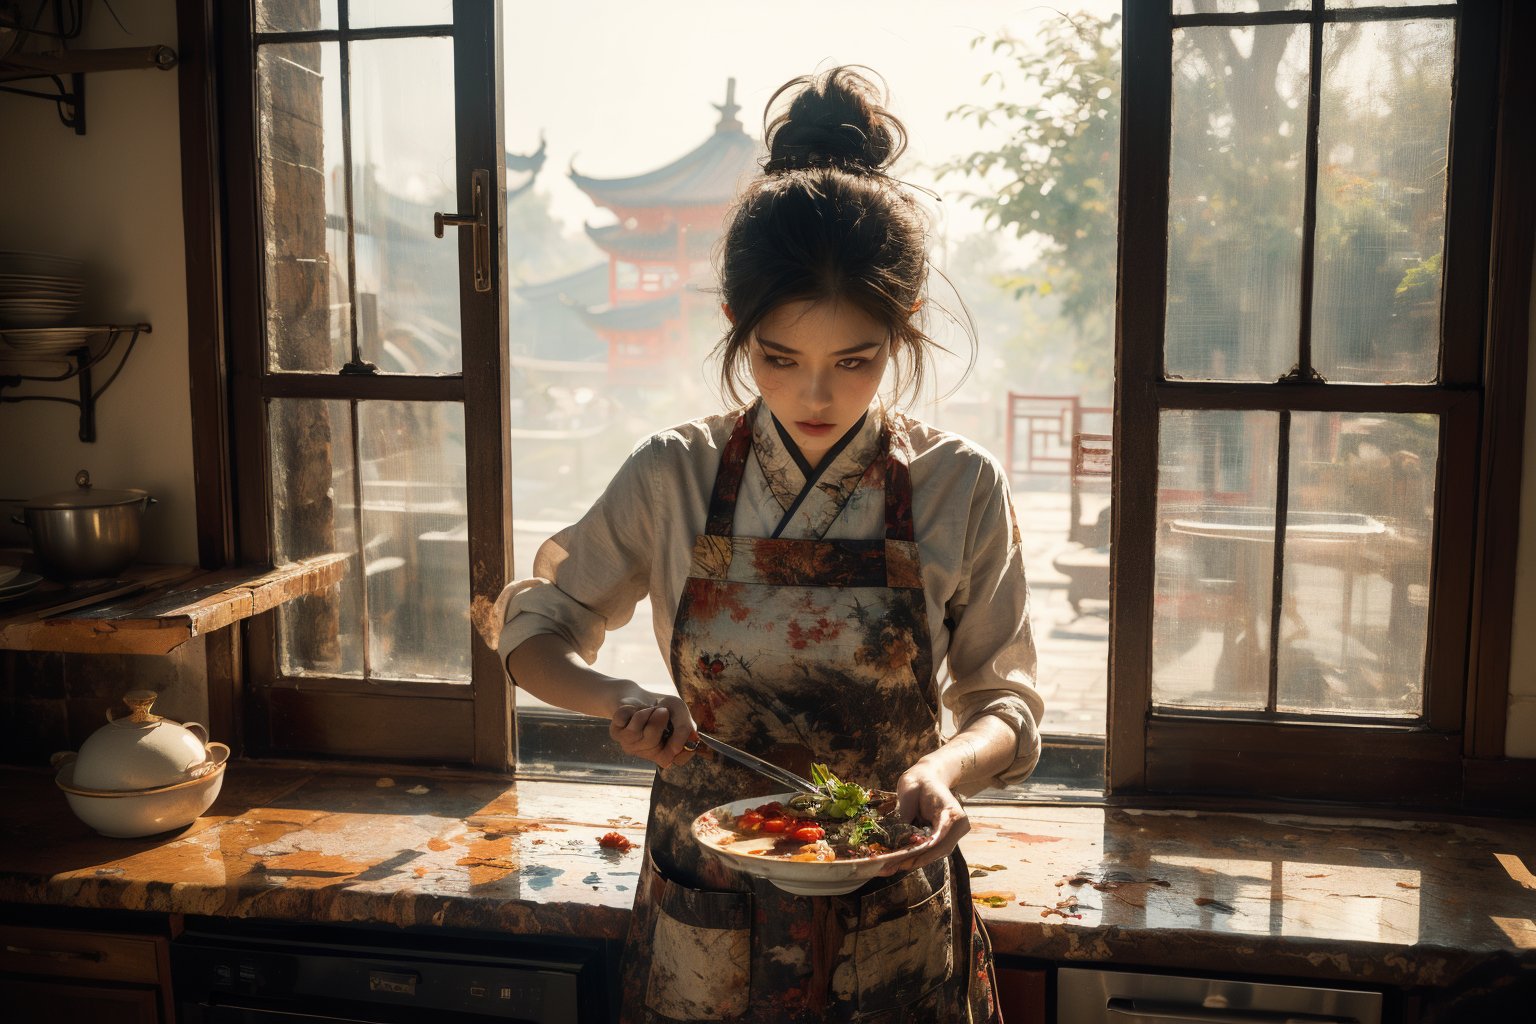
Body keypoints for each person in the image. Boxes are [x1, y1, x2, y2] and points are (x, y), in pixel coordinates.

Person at [498, 66, 1042, 1023]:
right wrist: (616, 697)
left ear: (903, 328)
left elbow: (1005, 704)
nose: (818, 399)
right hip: (709, 910)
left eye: (856, 362)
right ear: (734, 330)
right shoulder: (674, 475)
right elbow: (537, 628)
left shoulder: (959, 487)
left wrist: (942, 770)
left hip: (892, 900)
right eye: (779, 360)